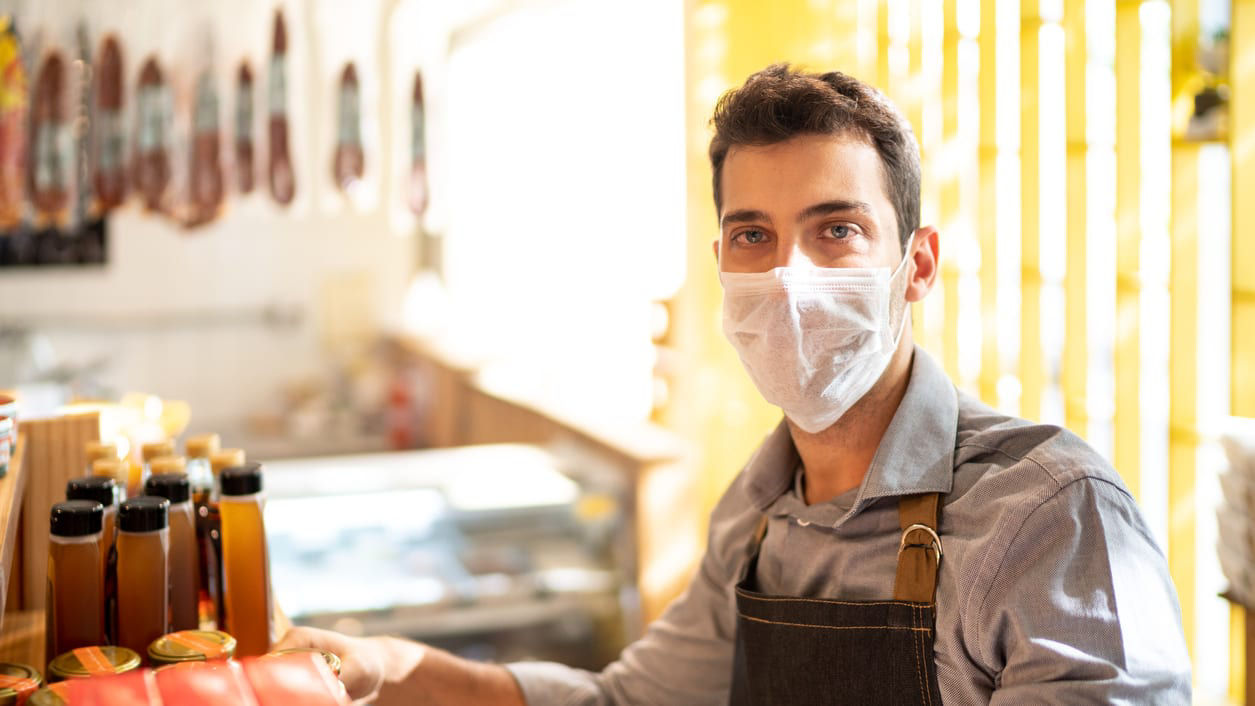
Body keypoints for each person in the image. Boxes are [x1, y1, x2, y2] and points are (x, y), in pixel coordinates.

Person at [277, 64, 1192, 704]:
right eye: (754, 236)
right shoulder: (755, 520)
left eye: (835, 230)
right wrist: (387, 666)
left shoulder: (1048, 517)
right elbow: (627, 704)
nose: (789, 277)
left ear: (916, 266)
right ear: (720, 260)